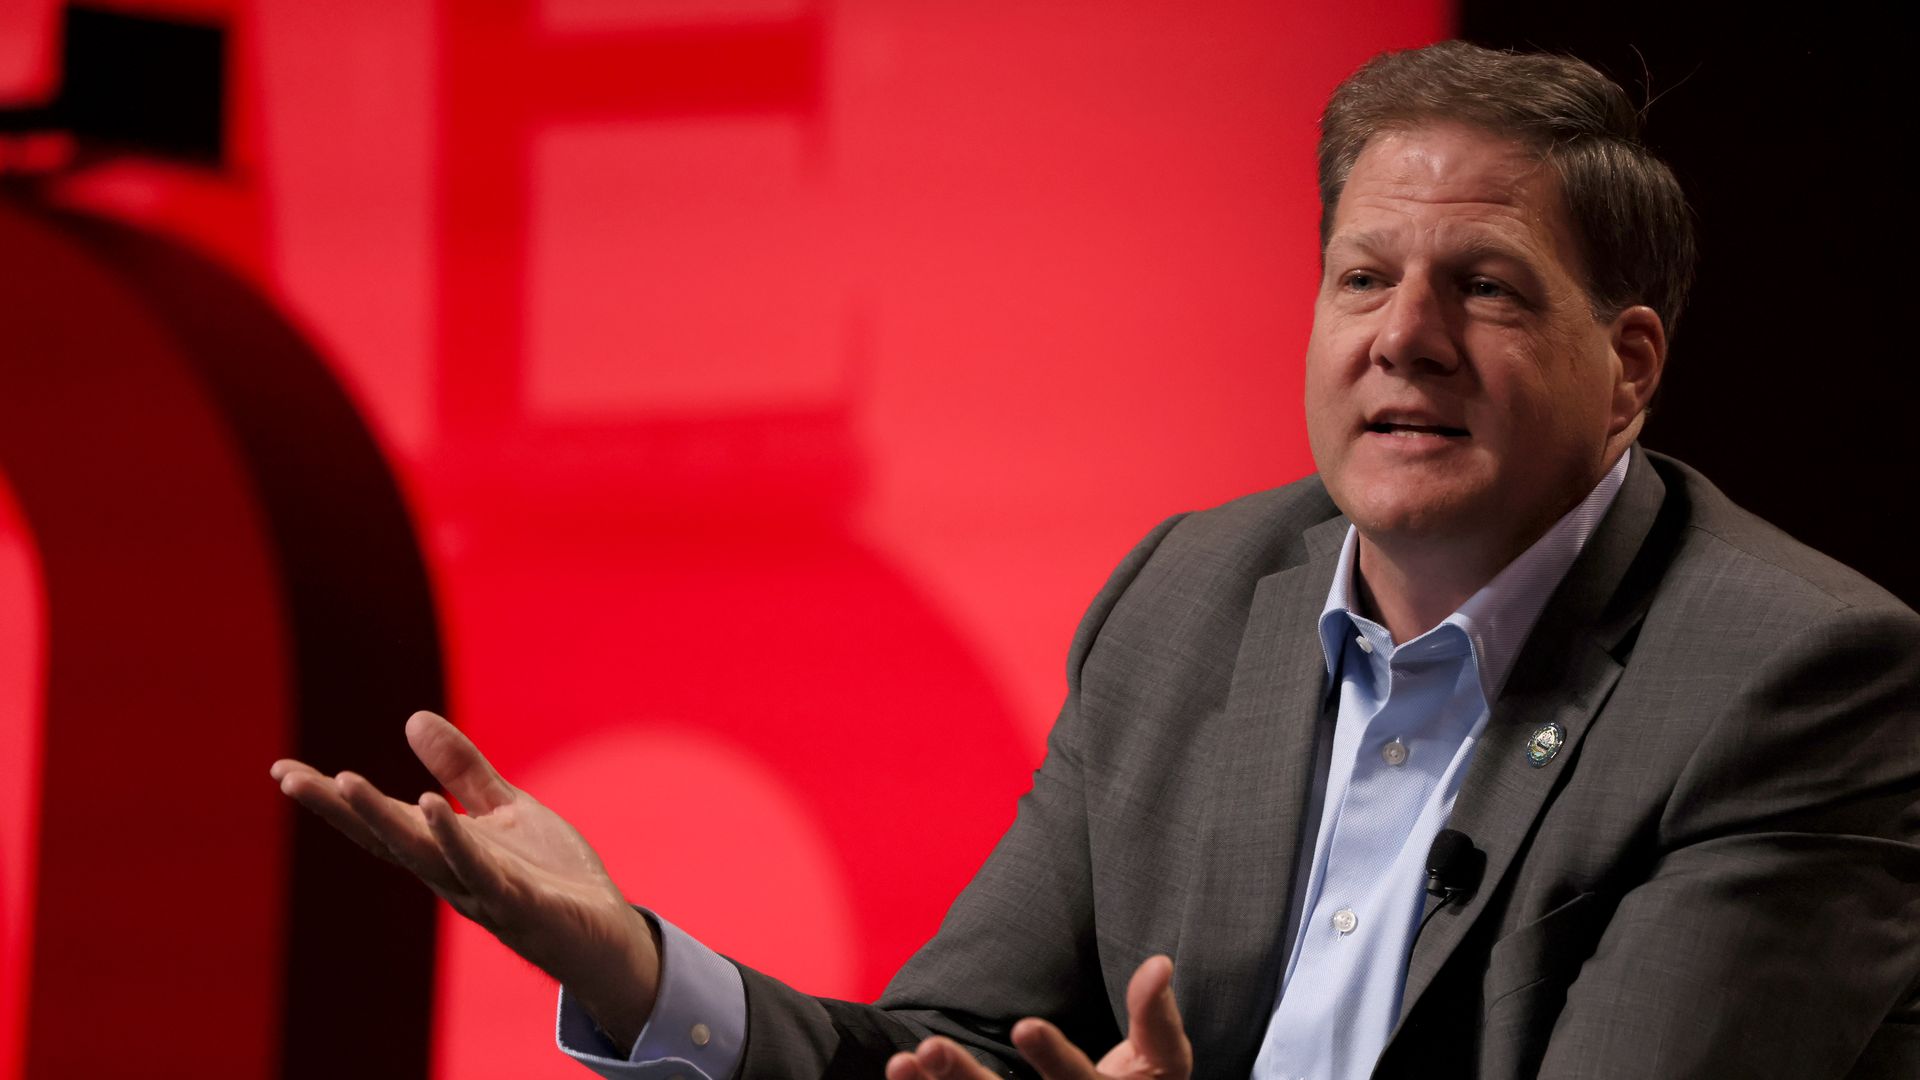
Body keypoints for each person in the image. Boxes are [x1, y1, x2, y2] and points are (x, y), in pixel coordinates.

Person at [271, 40, 1920, 1079]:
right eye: (1363, 278)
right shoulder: (1190, 599)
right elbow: (947, 1050)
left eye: (1482, 287)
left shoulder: (1790, 678)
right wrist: (635, 966)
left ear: (1627, 368)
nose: (1403, 337)